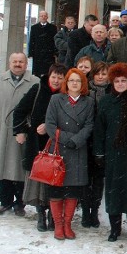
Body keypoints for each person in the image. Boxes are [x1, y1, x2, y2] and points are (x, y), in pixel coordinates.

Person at [0, 52, 40, 216]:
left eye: (21, 61)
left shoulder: (35, 82)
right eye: (15, 61)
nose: (18, 64)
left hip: (24, 133)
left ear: (26, 64)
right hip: (3, 132)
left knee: (20, 168)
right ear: (9, 63)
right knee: (3, 166)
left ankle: (20, 202)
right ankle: (5, 201)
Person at [12, 63, 67, 231]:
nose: (56, 80)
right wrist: (20, 131)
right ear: (48, 76)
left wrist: (51, 127)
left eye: (60, 77)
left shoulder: (65, 95)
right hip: (37, 142)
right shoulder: (37, 90)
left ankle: (53, 214)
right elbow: (20, 111)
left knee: (55, 180)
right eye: (54, 76)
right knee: (39, 179)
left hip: (57, 142)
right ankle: (41, 214)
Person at [44, 68, 95, 240]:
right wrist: (66, 139)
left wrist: (77, 140)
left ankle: (67, 224)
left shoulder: (88, 102)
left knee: (73, 190)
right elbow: (50, 124)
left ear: (83, 84)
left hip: (77, 150)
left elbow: (89, 125)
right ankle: (58, 224)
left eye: (78, 81)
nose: (74, 83)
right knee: (56, 190)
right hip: (59, 149)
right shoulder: (56, 99)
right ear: (66, 83)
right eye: (71, 80)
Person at [93, 63, 127, 242]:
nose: (120, 84)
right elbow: (99, 128)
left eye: (124, 81)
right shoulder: (106, 101)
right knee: (114, 192)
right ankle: (114, 228)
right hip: (113, 152)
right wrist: (99, 152)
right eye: (117, 81)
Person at [81, 61, 110, 228]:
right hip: (87, 140)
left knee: (98, 180)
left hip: (103, 141)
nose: (100, 76)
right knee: (86, 178)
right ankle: (85, 210)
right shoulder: (86, 91)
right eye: (98, 73)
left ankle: (95, 210)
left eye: (104, 74)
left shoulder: (112, 90)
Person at [28, 10, 58, 76]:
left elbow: (55, 41)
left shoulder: (53, 28)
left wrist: (55, 53)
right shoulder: (34, 28)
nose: (43, 17)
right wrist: (30, 53)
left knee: (49, 72)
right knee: (37, 73)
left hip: (49, 53)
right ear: (39, 17)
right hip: (38, 53)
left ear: (47, 17)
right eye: (42, 16)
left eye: (45, 16)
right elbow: (31, 41)